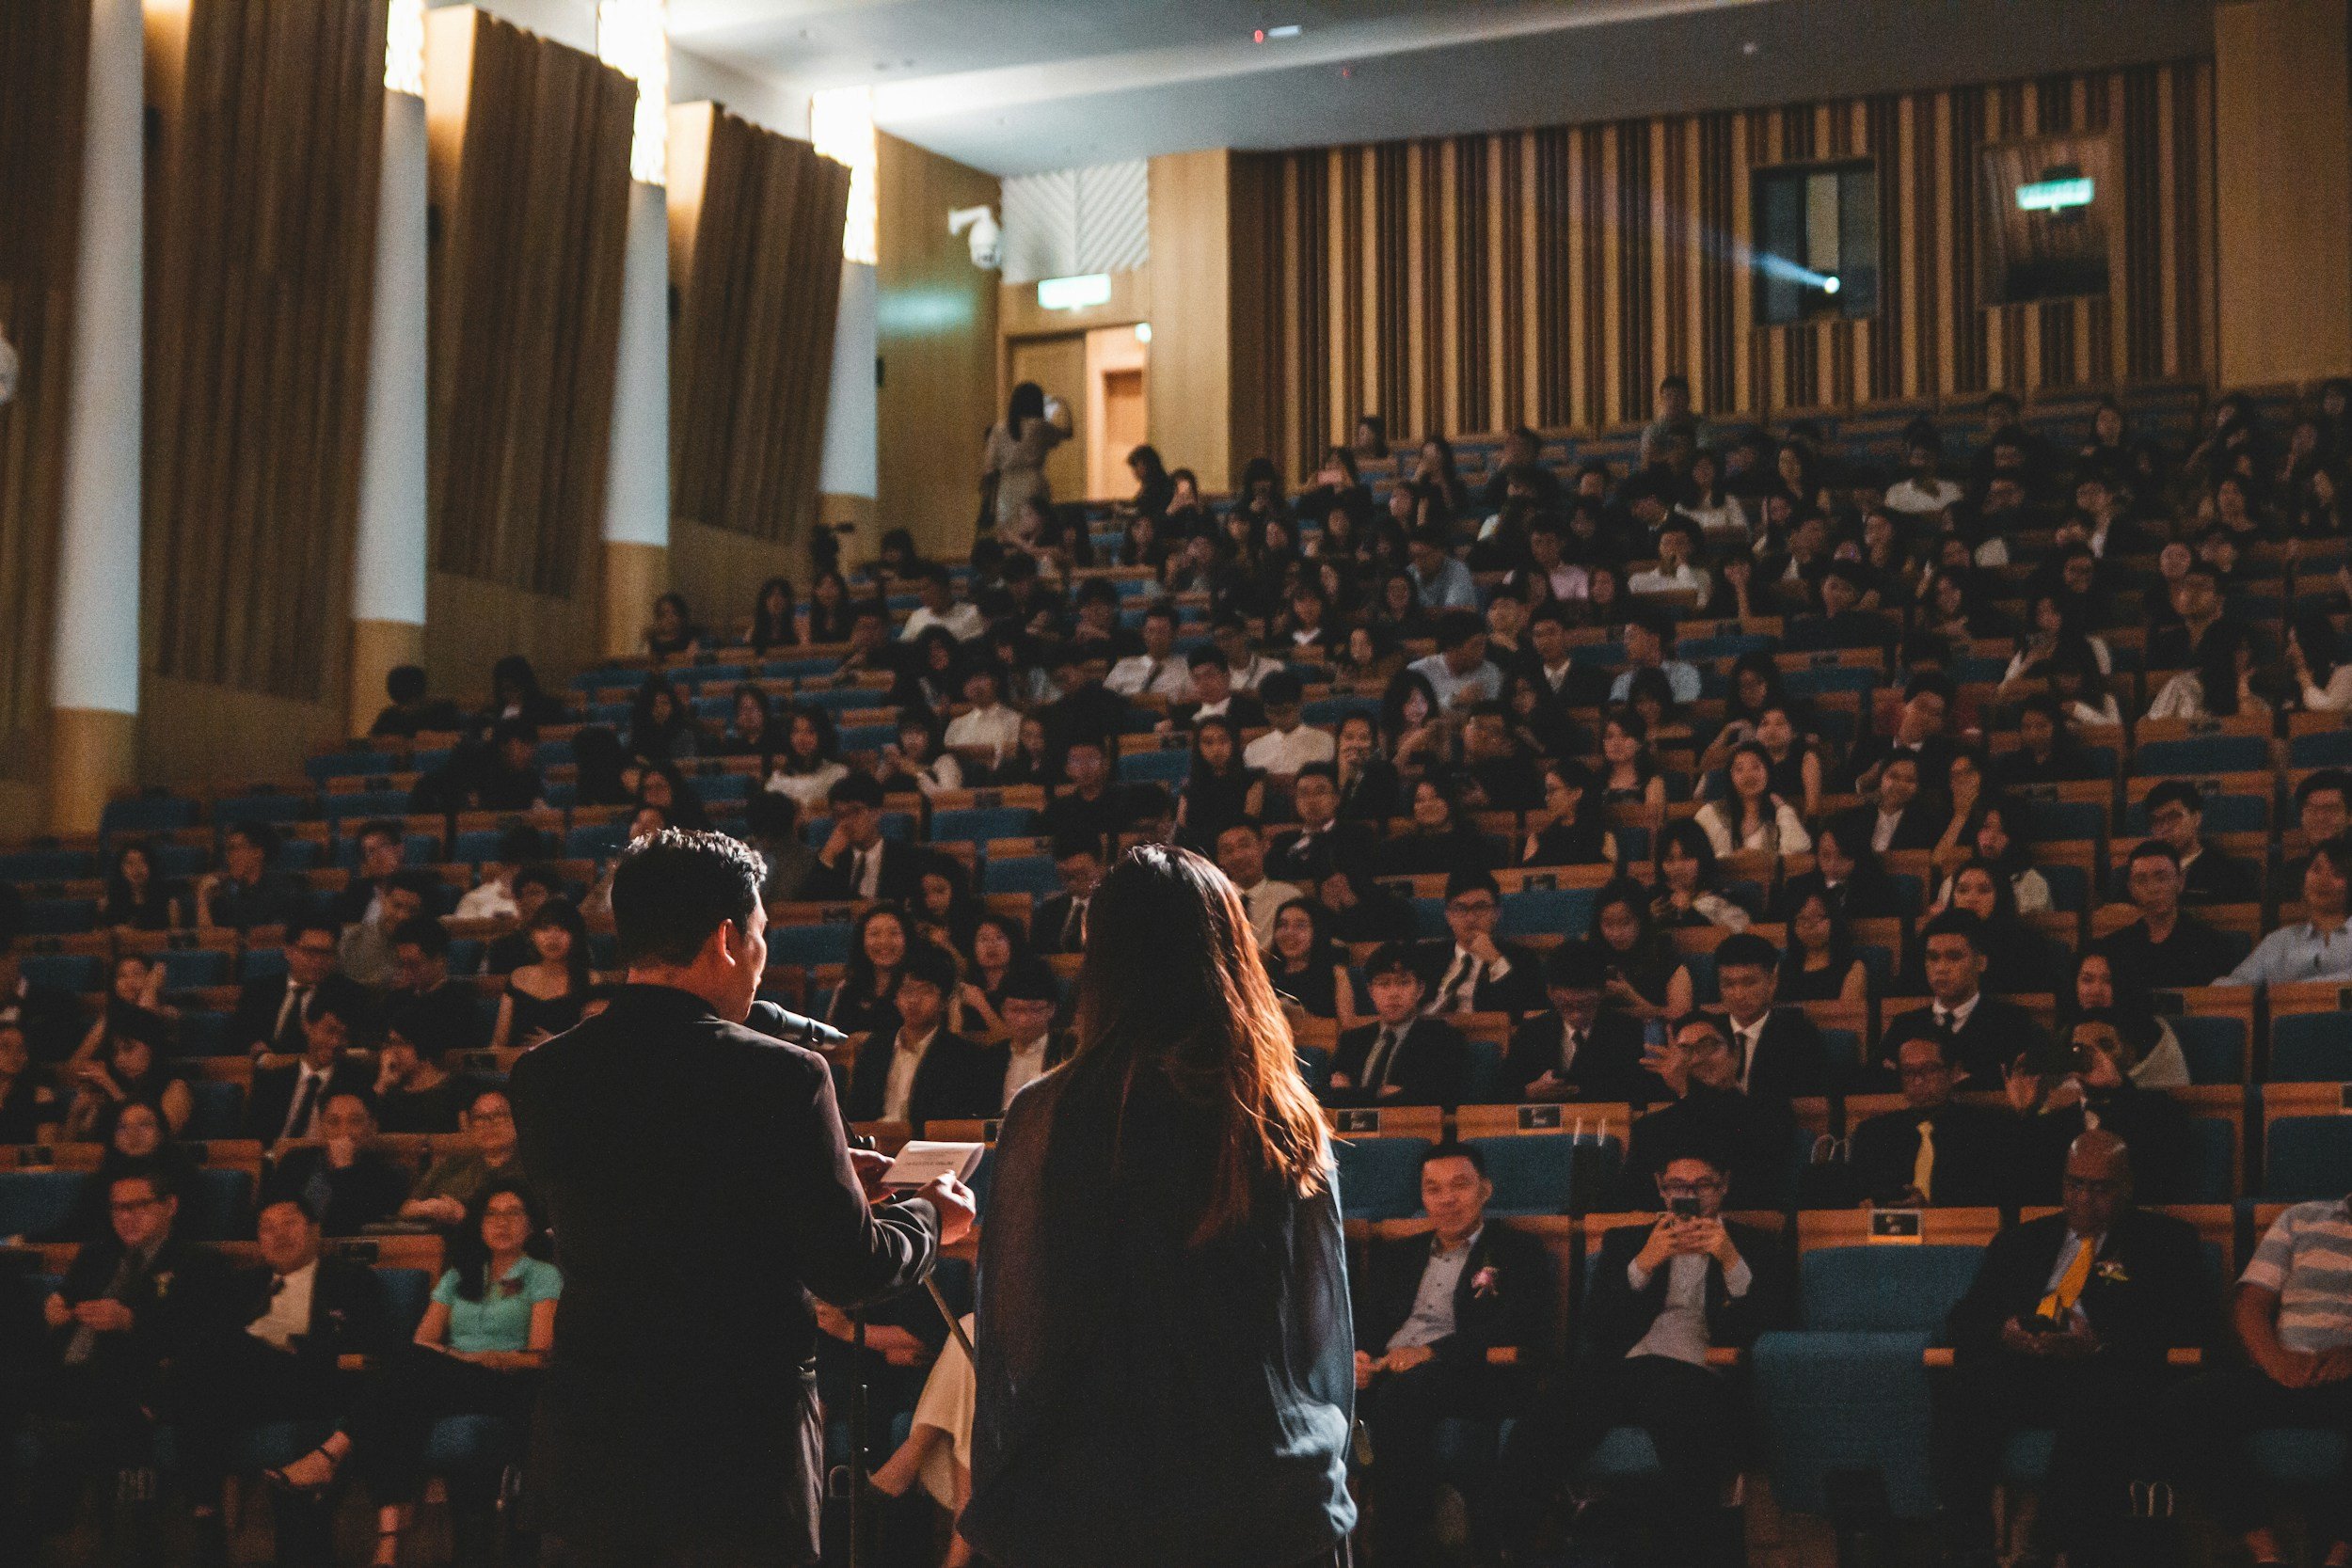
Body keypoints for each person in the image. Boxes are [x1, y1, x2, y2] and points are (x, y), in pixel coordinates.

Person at [508, 830, 973, 1567]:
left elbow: (648, 1200)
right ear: (728, 936)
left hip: (593, 1439)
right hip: (735, 1452)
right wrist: (930, 1216)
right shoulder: (784, 1075)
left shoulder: (542, 1074)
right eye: (760, 934)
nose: (762, 955)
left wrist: (810, 1168)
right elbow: (850, 1269)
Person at [963, 844, 1355, 1568]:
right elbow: (1319, 1326)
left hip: (1094, 1483)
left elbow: (1015, 1336)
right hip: (1260, 1478)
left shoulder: (1045, 1110)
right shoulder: (1282, 1109)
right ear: (1232, 949)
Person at [1501, 1143, 1789, 1566]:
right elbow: (1597, 1329)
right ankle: (1519, 1544)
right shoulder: (1628, 1242)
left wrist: (1730, 1260)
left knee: (1681, 1417)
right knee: (1547, 1412)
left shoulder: (1756, 1244)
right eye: (1676, 1186)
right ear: (1660, 1189)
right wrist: (1643, 1264)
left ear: (1723, 1186)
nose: (1688, 1196)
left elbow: (1770, 1326)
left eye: (1702, 1185)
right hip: (1629, 1371)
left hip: (1703, 1373)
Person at [1936, 1129, 2210, 1568]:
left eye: (2100, 1188)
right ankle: (1970, 1547)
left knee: (2103, 1399)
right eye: (2074, 1184)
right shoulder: (2022, 1240)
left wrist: (2100, 1343)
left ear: (2128, 1186)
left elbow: (2190, 1327)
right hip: (2027, 1364)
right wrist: (2004, 1330)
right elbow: (1964, 1319)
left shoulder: (2166, 1242)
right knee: (1964, 1389)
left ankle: (2052, 1547)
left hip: (2103, 1368)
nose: (2083, 1199)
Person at [263, 1184, 561, 1568]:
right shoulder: (460, 1274)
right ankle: (387, 1548)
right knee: (398, 1394)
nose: (501, 1223)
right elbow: (424, 1340)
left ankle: (334, 1459)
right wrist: (457, 1358)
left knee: (398, 1383)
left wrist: (488, 1357)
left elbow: (538, 1355)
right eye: (491, 1214)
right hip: (452, 1374)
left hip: (506, 1381)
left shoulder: (542, 1275)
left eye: (513, 1214)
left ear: (531, 1225)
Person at [1353, 1143, 1553, 1564]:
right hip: (1392, 1369)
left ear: (1486, 1190)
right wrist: (1359, 1356)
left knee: (1401, 1396)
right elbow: (1370, 1323)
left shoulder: (1518, 1251)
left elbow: (1515, 1325)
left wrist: (1430, 1352)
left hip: (1470, 1372)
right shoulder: (1399, 1254)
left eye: (1460, 1186)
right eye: (1433, 1189)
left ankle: (1396, 1545)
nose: (1446, 1199)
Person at [16, 1168, 231, 1555]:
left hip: (133, 1382)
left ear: (170, 1206)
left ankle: (59, 1519)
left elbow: (199, 1342)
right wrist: (52, 1312)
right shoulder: (96, 1255)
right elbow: (63, 1302)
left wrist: (131, 1321)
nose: (126, 1217)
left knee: (109, 1414)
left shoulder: (197, 1262)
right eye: (118, 1209)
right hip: (64, 1375)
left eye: (138, 1206)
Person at [179, 1196, 394, 1565]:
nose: (278, 1235)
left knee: (213, 1368)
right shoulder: (242, 1285)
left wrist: (299, 1349)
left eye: (289, 1223)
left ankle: (206, 1515)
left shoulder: (352, 1279)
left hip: (317, 1382)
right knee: (203, 1368)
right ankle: (206, 1518)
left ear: (315, 1231)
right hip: (249, 1386)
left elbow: (369, 1348)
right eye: (267, 1228)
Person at [2170, 1192, 2352, 1568]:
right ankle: (2265, 1552)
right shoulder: (2301, 1219)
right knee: (2190, 1403)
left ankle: (2339, 1555)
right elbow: (2251, 1304)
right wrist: (2276, 1361)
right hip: (2284, 1369)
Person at [2005, 1012, 2201, 1206]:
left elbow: (2155, 1185)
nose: (2093, 1057)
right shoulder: (2056, 1121)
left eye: (2105, 1046)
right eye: (2080, 1049)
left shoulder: (2159, 1110)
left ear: (2129, 1055)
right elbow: (2027, 1191)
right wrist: (2025, 1115)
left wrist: (2117, 1091)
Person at [1617, 1015, 1799, 1208]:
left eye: (1709, 1045)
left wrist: (1685, 1092)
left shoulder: (1769, 1113)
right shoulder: (1650, 1129)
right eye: (1685, 1050)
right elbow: (1633, 1200)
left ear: (1736, 1054)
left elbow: (1750, 1187)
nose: (1697, 1059)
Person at [1880, 911, 2052, 1088]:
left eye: (1954, 957)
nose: (1941, 968)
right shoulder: (1904, 1026)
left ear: (1981, 963)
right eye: (1933, 958)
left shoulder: (2011, 1023)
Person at [1847, 1033, 2010, 1207]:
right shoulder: (1873, 1134)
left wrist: (1931, 1209)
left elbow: (1993, 1199)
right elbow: (1857, 1194)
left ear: (1954, 1072)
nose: (1918, 1080)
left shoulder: (1987, 1130)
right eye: (1909, 1072)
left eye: (1929, 1069)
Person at [845, 942, 997, 1127]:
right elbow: (855, 1115)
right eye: (907, 991)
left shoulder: (962, 1056)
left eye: (925, 991)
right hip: (874, 1147)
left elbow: (948, 1122)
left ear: (944, 1001)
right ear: (896, 998)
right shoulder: (874, 1048)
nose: (913, 1000)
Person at [1502, 942, 1653, 1101]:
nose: (1576, 1015)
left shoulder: (1626, 1030)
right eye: (1566, 1005)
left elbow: (1637, 1093)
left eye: (1586, 1005)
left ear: (1602, 992)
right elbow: (1502, 1093)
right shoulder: (1532, 1032)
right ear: (1551, 993)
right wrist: (1529, 1092)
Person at [1330, 943, 1471, 1106]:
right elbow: (1322, 1095)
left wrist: (1350, 1093)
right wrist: (1381, 1093)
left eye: (1403, 983)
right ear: (1371, 992)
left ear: (1420, 990)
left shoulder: (1443, 1038)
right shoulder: (1352, 1040)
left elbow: (1432, 1098)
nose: (1393, 993)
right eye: (1384, 984)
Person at [2097, 840, 2242, 992]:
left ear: (2180, 882)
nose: (2152, 889)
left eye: (2161, 878)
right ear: (2131, 890)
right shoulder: (2113, 949)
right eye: (2141, 880)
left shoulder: (2212, 945)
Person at [246, 978, 376, 1147]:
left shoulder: (355, 1083)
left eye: (344, 1036)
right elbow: (250, 1141)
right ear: (307, 1025)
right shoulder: (272, 1079)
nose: (335, 1042)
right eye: (330, 1031)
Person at [1708, 932, 1831, 1101]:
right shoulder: (1708, 1033)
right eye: (1728, 984)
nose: (1738, 995)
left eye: (1749, 983)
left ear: (1772, 982)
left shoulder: (1797, 1034)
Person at [2221, 833, 2352, 985]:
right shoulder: (2279, 941)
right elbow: (2236, 984)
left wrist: (2297, 989)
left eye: (2337, 873)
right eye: (2316, 870)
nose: (2323, 880)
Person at [398, 1085, 527, 1230]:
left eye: (499, 1115)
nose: (489, 1124)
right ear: (470, 1126)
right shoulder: (452, 1165)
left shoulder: (533, 1169)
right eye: (480, 1118)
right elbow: (406, 1208)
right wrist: (427, 1208)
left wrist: (466, 1216)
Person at [488, 897, 593, 1051]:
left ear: (576, 936)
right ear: (532, 934)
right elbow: (498, 1043)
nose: (552, 937)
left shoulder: (592, 981)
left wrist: (555, 1042)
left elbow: (593, 1047)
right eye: (544, 929)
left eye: (562, 929)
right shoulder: (518, 977)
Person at [2138, 779, 2262, 906]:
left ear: (2196, 818)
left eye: (2173, 817)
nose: (2164, 828)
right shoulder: (2136, 875)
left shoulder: (2228, 874)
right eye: (2156, 821)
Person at [981, 381, 1070, 531]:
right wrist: (1063, 405)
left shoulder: (998, 429)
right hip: (1033, 481)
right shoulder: (1039, 426)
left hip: (1006, 485)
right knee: (1036, 531)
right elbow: (1068, 432)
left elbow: (989, 465)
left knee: (1009, 532)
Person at [196, 821, 303, 931]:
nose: (229, 858)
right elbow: (210, 940)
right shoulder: (226, 893)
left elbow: (276, 936)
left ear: (258, 852)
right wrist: (202, 896)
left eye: (234, 849)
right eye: (228, 851)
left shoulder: (282, 891)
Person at [1213, 821, 1303, 948]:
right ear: (1219, 859)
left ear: (1264, 846)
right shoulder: (1213, 901)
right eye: (1228, 850)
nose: (1238, 856)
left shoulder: (1288, 897)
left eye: (1244, 845)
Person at [1607, 610, 1703, 705]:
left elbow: (1683, 711)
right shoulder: (1623, 681)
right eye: (1625, 638)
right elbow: (1618, 715)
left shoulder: (1684, 674)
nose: (1625, 643)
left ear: (1654, 640)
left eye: (1631, 637)